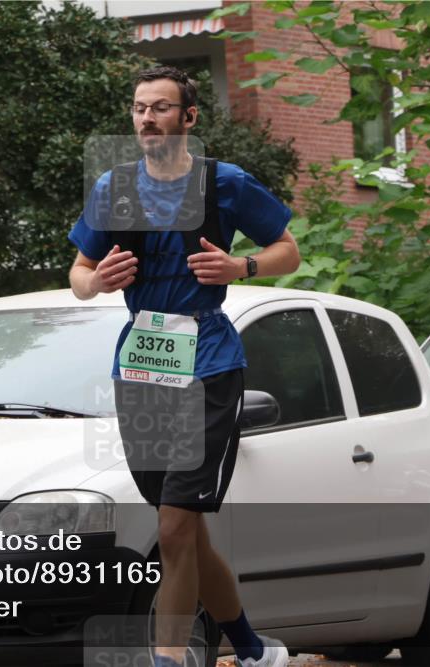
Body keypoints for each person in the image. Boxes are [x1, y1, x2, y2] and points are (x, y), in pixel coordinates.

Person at [67, 65, 300, 667]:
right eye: (140, 108)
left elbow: (288, 252)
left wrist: (241, 268)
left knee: (173, 529)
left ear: (189, 118)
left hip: (209, 367)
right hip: (142, 368)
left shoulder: (226, 183)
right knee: (186, 531)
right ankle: (251, 649)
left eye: (162, 108)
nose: (148, 118)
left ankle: (167, 659)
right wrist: (96, 282)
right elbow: (77, 273)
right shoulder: (113, 187)